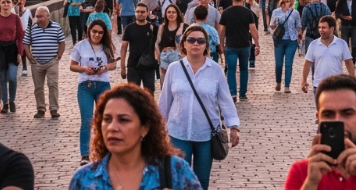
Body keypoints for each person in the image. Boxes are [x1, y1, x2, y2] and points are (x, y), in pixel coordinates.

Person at [69, 84, 203, 190]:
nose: (112, 127)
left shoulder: (176, 171)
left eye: (123, 120)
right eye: (107, 119)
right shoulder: (84, 179)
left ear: (145, 128)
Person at [158, 26, 240, 190]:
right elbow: (165, 101)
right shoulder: (174, 68)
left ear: (206, 45)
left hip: (206, 134)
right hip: (178, 132)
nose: (196, 43)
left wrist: (234, 127)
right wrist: (158, 127)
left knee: (201, 182)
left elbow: (225, 101)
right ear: (184, 44)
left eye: (201, 41)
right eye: (191, 40)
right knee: (179, 181)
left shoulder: (215, 70)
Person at [70, 20, 118, 166]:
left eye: (100, 32)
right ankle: (85, 154)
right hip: (85, 85)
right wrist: (84, 68)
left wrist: (106, 67)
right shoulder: (81, 46)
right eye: (94, 31)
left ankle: (105, 150)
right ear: (89, 30)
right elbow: (72, 66)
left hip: (103, 84)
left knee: (104, 119)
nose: (97, 35)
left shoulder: (107, 46)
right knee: (86, 120)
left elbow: (113, 64)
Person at [23, 6, 66, 119]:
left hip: (52, 60)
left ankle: (54, 109)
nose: (38, 19)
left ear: (47, 16)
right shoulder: (32, 28)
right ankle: (41, 109)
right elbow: (26, 43)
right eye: (37, 16)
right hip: (36, 62)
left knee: (53, 84)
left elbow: (62, 42)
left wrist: (59, 54)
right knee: (38, 87)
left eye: (40, 16)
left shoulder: (56, 27)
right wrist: (30, 56)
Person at [219, 0, 260, 102]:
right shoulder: (247, 13)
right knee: (244, 69)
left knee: (231, 70)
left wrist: (221, 44)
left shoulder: (226, 12)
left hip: (231, 45)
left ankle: (232, 93)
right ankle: (242, 93)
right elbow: (253, 30)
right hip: (244, 44)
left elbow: (221, 30)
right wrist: (257, 44)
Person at [0, 0, 25, 114]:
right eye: (3, 2)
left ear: (11, 4)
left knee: (12, 78)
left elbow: (20, 35)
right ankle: (5, 103)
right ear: (0, 4)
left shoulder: (15, 18)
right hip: (0, 50)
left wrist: (20, 52)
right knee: (2, 79)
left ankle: (12, 100)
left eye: (8, 2)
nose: (6, 5)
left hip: (12, 48)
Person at [301, 16, 355, 95]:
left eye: (324, 28)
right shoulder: (313, 45)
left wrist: (353, 80)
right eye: (319, 27)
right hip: (319, 86)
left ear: (332, 29)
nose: (321, 30)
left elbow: (348, 62)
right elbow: (307, 63)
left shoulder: (341, 43)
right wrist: (304, 80)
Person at [120, 3, 158, 96]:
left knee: (149, 95)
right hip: (133, 65)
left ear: (147, 13)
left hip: (149, 66)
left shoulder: (153, 28)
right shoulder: (129, 28)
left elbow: (157, 47)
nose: (140, 14)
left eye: (142, 12)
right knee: (132, 96)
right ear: (135, 13)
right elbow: (124, 48)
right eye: (138, 12)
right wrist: (122, 67)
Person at [270, 0, 302, 94]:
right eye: (286, 1)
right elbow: (271, 25)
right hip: (279, 40)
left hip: (291, 40)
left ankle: (287, 85)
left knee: (288, 64)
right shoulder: (276, 12)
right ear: (282, 1)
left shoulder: (295, 12)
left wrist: (300, 34)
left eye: (289, 1)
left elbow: (298, 25)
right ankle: (278, 82)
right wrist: (272, 27)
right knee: (279, 64)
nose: (287, 3)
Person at [155, 3, 188, 84]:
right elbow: (157, 42)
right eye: (169, 12)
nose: (171, 14)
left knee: (178, 82)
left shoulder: (184, 27)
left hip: (178, 56)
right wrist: (158, 55)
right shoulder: (162, 27)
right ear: (165, 14)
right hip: (165, 56)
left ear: (177, 14)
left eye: (173, 12)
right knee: (165, 84)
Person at [301, 0, 332, 68]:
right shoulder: (325, 7)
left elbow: (303, 24)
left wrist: (300, 35)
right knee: (323, 58)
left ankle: (314, 77)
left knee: (311, 60)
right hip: (323, 36)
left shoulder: (306, 8)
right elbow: (330, 21)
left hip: (310, 35)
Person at [13, 0, 32, 76]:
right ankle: (14, 67)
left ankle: (25, 67)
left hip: (24, 32)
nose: (21, 2)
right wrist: (17, 8)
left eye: (23, 0)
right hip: (15, 33)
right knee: (14, 50)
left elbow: (30, 22)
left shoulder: (27, 11)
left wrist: (30, 33)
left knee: (24, 51)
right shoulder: (13, 10)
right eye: (20, 0)